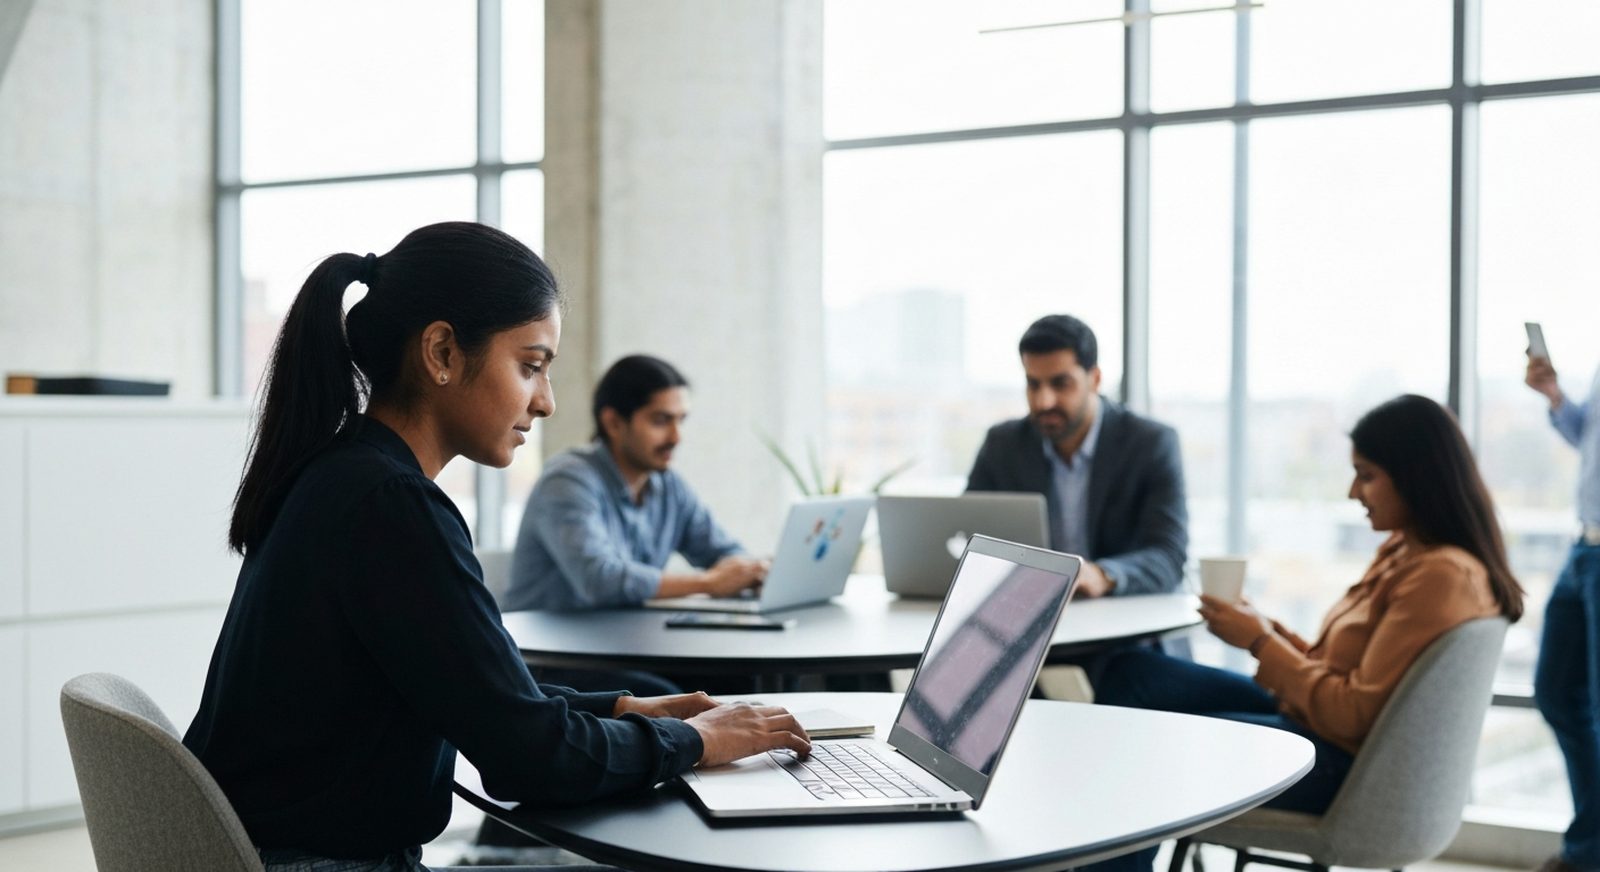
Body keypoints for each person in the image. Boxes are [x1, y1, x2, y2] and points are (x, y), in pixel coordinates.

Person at [182, 222, 810, 872]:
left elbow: (486, 700)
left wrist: (625, 707)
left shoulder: (342, 475)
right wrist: (692, 741)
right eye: (531, 366)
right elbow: (530, 762)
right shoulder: (391, 507)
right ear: (443, 353)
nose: (546, 402)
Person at [1089, 394, 1524, 872]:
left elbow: (1352, 714)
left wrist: (1260, 643)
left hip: (1342, 766)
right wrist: (1264, 630)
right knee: (1131, 674)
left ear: (1417, 477)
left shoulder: (1440, 576)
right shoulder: (1407, 551)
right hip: (1314, 722)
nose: (1353, 493)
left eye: (1367, 475)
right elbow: (1339, 668)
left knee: (1138, 748)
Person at [504, 354, 766, 613]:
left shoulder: (669, 486)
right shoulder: (567, 480)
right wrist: (708, 583)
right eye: (661, 420)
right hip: (546, 650)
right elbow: (599, 580)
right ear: (614, 423)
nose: (677, 437)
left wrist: (752, 572)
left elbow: (723, 551)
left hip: (624, 641)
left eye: (681, 420)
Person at [967, 314, 1187, 599]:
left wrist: (1102, 575)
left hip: (1126, 629)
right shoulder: (1003, 445)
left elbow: (1168, 557)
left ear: (1095, 379)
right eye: (1033, 384)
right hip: (1031, 615)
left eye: (1060, 384)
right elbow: (966, 536)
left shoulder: (1150, 443)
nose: (1044, 401)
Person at [1527, 350, 1600, 872]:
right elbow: (1589, 439)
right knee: (1555, 692)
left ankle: (1584, 854)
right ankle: (1590, 847)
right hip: (1585, 546)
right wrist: (1556, 400)